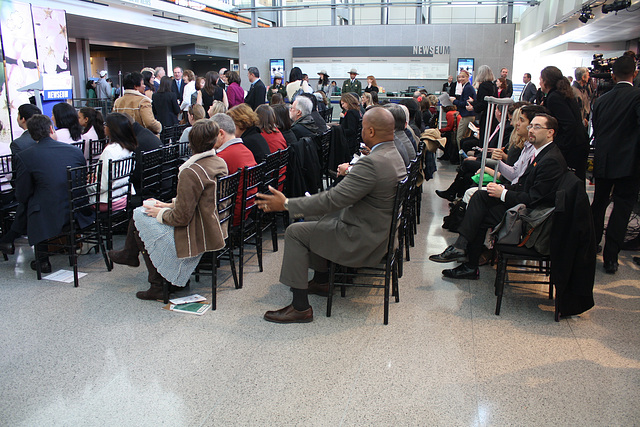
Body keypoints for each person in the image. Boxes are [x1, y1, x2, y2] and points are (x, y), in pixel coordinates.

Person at [255, 107, 407, 323]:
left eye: (363, 128)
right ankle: (322, 279)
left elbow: (332, 199)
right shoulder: (393, 154)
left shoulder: (372, 163)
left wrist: (287, 203)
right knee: (315, 217)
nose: (361, 132)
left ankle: (300, 308)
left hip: (362, 238)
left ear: (371, 132)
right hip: (379, 232)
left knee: (295, 232)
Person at [429, 114, 567, 279]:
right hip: (524, 205)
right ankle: (463, 252)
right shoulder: (541, 153)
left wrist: (504, 193)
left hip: (532, 217)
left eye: (537, 127)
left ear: (550, 132)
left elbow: (534, 199)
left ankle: (466, 259)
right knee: (480, 196)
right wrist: (502, 188)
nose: (531, 130)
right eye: (531, 126)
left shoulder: (550, 159)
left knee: (479, 212)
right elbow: (523, 184)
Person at [108, 119, 228, 300]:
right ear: (214, 140)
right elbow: (203, 199)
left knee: (140, 214)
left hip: (196, 233)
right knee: (145, 209)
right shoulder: (218, 162)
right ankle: (132, 256)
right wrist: (168, 205)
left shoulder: (191, 171)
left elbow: (181, 218)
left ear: (190, 143)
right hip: (212, 225)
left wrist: (161, 213)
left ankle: (156, 283)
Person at [9, 115, 90, 272]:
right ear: (52, 129)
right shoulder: (75, 151)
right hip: (79, 208)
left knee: (33, 204)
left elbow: (22, 193)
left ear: (32, 135)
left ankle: (42, 259)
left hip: (49, 214)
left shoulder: (25, 156)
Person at [590, 55, 640, 274]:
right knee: (621, 209)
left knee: (598, 204)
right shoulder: (637, 97)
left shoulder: (601, 100)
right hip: (630, 163)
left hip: (604, 160)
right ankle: (611, 258)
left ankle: (591, 247)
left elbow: (598, 129)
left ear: (612, 75)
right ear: (635, 74)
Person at [0, 104, 42, 256]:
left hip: (24, 188)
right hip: (41, 184)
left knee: (25, 196)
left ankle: (10, 235)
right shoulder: (49, 141)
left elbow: (18, 174)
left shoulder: (18, 144)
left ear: (22, 119)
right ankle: (11, 234)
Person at [539, 65, 589, 180]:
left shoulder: (554, 97)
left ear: (546, 81)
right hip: (578, 144)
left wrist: (559, 147)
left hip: (573, 148)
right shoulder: (561, 94)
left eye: (541, 79)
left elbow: (569, 124)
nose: (539, 83)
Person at [210, 113, 258, 226]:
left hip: (230, 217)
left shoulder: (222, 158)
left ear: (220, 133)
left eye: (211, 135)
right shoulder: (247, 151)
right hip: (246, 210)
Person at [96, 112, 137, 211]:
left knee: (77, 196)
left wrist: (87, 186)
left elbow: (102, 186)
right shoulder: (128, 148)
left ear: (112, 129)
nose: (104, 127)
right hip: (123, 196)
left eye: (106, 124)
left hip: (108, 201)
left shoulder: (110, 151)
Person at [470, 65, 498, 143]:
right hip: (492, 116)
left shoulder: (483, 86)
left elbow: (482, 103)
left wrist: (473, 107)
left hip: (486, 116)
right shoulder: (493, 86)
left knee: (483, 139)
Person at [451, 70, 476, 152]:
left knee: (459, 137)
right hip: (468, 115)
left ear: (467, 77)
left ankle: (461, 156)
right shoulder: (466, 87)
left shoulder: (467, 88)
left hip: (467, 116)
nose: (461, 79)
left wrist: (454, 101)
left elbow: (466, 103)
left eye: (463, 77)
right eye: (459, 77)